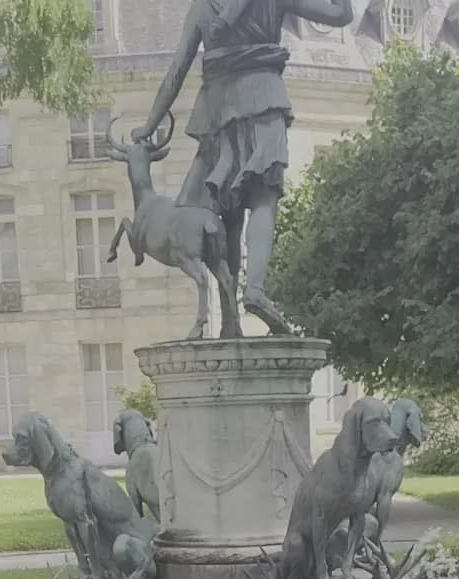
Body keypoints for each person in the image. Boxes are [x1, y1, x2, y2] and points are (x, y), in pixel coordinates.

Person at [130, 0, 353, 334]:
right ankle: (255, 289)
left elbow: (176, 71)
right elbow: (340, 15)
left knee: (226, 215)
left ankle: (230, 320)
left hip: (217, 108)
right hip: (263, 95)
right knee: (264, 198)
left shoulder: (203, 7)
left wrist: (149, 126)